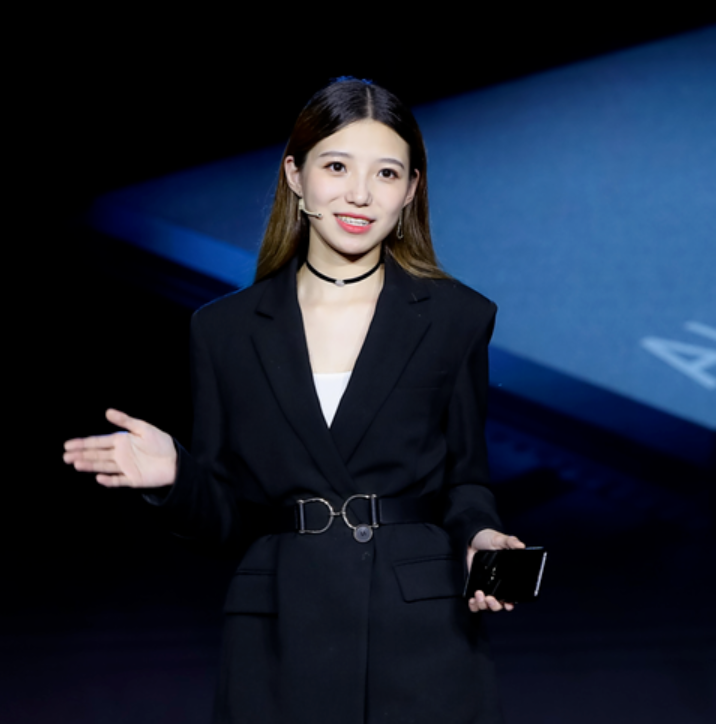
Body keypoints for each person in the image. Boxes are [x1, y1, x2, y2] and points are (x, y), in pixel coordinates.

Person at [63, 77, 523, 724]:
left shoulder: (456, 317)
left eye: (386, 173)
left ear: (410, 191)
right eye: (336, 167)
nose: (360, 193)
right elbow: (227, 517)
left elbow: (466, 478)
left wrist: (481, 534)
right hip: (279, 634)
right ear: (295, 176)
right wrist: (176, 476)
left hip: (421, 633)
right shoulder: (224, 330)